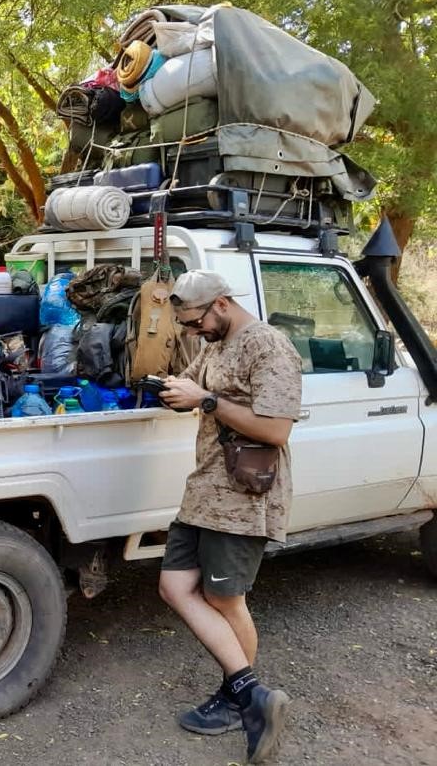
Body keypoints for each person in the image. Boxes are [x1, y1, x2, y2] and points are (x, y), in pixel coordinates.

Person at [158, 270, 302, 764]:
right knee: (174, 587)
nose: (193, 332)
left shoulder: (268, 347)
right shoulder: (214, 343)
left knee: (225, 598)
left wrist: (207, 401)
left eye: (196, 322)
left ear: (220, 304)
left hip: (243, 497)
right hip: (204, 491)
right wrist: (175, 388)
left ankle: (238, 699)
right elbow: (196, 385)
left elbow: (277, 429)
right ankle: (251, 695)